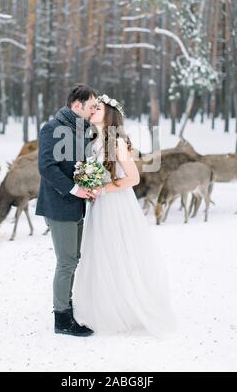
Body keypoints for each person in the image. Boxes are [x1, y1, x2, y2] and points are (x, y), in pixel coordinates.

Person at [72, 94, 177, 338]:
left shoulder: (117, 142)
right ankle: (105, 304)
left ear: (109, 115)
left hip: (116, 204)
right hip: (101, 205)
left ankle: (124, 308)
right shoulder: (97, 140)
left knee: (116, 251)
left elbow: (133, 178)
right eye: (93, 107)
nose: (93, 109)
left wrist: (102, 188)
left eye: (98, 108)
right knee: (102, 253)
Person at [36, 84, 98, 337]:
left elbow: (80, 166)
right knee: (67, 262)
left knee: (74, 260)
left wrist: (90, 184)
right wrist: (74, 190)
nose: (94, 109)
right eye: (91, 106)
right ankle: (61, 319)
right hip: (59, 204)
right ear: (76, 106)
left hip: (77, 205)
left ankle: (68, 308)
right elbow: (47, 167)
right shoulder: (51, 129)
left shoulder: (82, 131)